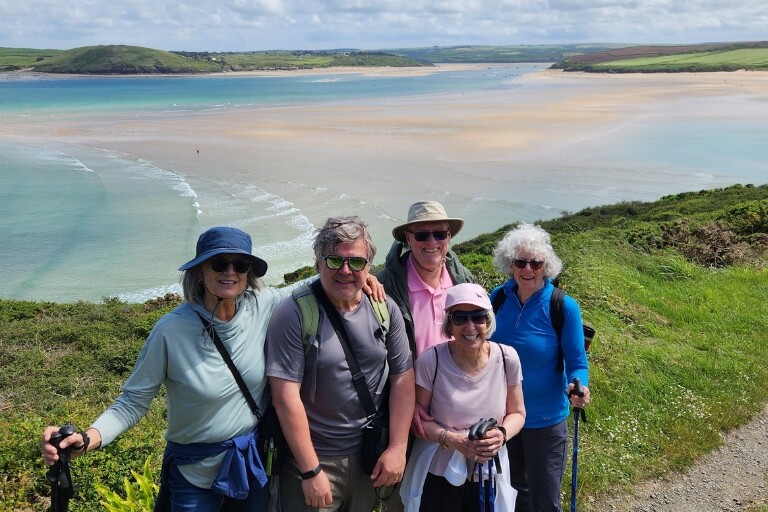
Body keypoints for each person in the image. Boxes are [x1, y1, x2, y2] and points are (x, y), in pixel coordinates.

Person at [39, 226, 383, 511]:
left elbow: (323, 281)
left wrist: (363, 276)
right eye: (219, 263)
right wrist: (88, 439)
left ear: (249, 273)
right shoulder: (170, 330)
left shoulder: (264, 305)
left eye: (240, 264)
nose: (230, 272)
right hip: (193, 474)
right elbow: (131, 403)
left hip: (251, 466)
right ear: (200, 272)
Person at [266, 216, 415, 512]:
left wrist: (398, 448)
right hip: (314, 461)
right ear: (317, 263)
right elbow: (285, 397)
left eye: (356, 262)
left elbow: (403, 376)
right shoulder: (294, 314)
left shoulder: (385, 308)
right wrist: (310, 470)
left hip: (369, 456)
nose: (346, 271)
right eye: (335, 260)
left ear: (369, 266)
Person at [489, 223, 591, 512]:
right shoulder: (497, 298)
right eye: (520, 262)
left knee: (544, 502)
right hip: (504, 419)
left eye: (536, 263)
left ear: (546, 266)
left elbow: (577, 362)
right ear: (510, 264)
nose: (528, 269)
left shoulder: (563, 306)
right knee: (510, 497)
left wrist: (579, 386)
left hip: (545, 421)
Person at [399, 283, 526, 512]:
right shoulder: (431, 360)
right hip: (438, 472)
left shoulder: (507, 358)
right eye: (460, 318)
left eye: (478, 317)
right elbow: (417, 422)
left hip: (488, 471)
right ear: (450, 324)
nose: (470, 326)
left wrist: (501, 434)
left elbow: (517, 412)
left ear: (488, 321)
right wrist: (456, 441)